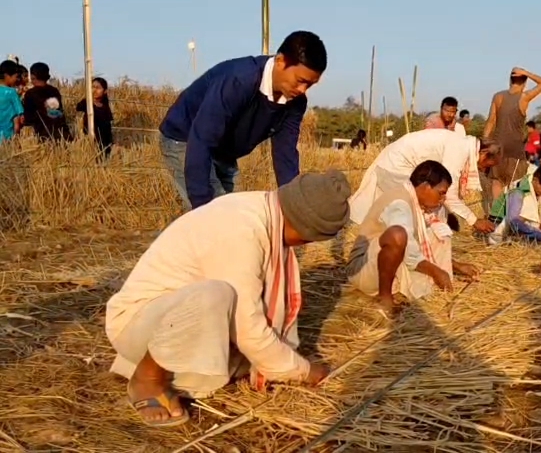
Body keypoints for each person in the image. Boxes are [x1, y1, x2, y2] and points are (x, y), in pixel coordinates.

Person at [105, 170, 351, 427]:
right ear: (305, 231)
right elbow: (248, 327)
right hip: (138, 322)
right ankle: (148, 378)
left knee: (242, 360)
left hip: (174, 323)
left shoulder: (265, 212)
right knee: (215, 295)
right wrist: (303, 371)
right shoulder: (241, 229)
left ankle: (162, 367)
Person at [159, 30, 327, 211]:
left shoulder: (295, 102)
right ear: (280, 61)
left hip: (223, 149)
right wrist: (204, 209)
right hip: (186, 138)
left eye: (310, 84)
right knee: (218, 216)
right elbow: (201, 139)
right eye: (300, 80)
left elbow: (285, 155)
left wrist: (293, 205)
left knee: (237, 213)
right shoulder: (238, 81)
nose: (303, 89)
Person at [347, 160, 481, 316]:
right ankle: (385, 299)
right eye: (441, 192)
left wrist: (455, 266)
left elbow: (417, 247)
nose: (442, 199)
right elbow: (409, 251)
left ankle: (404, 288)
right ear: (425, 186)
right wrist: (437, 272)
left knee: (438, 231)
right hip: (363, 270)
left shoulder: (415, 203)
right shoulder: (400, 203)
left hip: (382, 263)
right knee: (398, 235)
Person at [349, 128, 501, 234]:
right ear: (484, 153)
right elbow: (448, 194)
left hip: (400, 166)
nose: (484, 170)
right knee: (419, 209)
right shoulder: (460, 148)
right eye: (488, 165)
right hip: (396, 166)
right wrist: (474, 220)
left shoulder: (462, 145)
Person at [482, 67, 541, 212]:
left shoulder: (498, 96)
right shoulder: (524, 97)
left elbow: (491, 120)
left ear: (509, 80)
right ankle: (510, 220)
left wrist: (485, 142)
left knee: (496, 183)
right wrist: (528, 73)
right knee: (515, 186)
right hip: (515, 149)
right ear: (525, 82)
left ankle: (496, 220)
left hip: (497, 146)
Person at [487, 162, 541, 246]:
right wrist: (540, 235)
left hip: (520, 229)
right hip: (499, 227)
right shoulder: (518, 191)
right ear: (535, 180)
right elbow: (513, 221)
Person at [22, 62, 71, 142]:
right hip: (62, 133)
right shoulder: (54, 91)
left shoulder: (30, 94)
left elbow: (29, 118)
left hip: (43, 135)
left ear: (33, 76)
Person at [76, 77, 114, 159]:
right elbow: (77, 111)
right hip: (87, 143)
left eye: (98, 88)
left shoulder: (105, 108)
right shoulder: (85, 103)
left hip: (102, 144)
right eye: (92, 87)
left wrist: (110, 144)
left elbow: (108, 129)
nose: (94, 90)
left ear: (105, 91)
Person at [0, 60, 24, 142]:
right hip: (8, 135)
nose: (17, 79)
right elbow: (20, 115)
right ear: (7, 75)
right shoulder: (11, 92)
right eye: (16, 76)